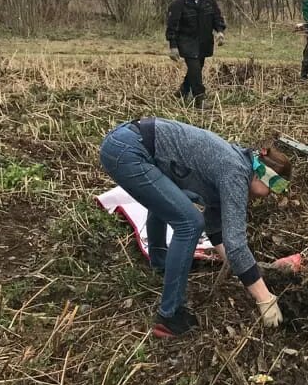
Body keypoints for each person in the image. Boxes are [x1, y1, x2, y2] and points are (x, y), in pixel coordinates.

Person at [99, 118, 292, 337]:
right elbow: (236, 245)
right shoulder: (237, 174)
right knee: (190, 223)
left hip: (125, 143)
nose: (269, 197)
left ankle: (161, 261)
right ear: (262, 175)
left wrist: (239, 268)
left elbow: (216, 228)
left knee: (168, 202)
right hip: (128, 152)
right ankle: (169, 316)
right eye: (273, 188)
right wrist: (264, 298)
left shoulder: (237, 165)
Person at [165, 0, 226, 109]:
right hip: (187, 42)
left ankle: (182, 92)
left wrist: (220, 32)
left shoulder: (209, 2)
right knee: (195, 70)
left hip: (204, 42)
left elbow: (217, 18)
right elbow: (172, 27)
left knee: (195, 70)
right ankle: (200, 100)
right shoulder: (178, 5)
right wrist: (173, 46)